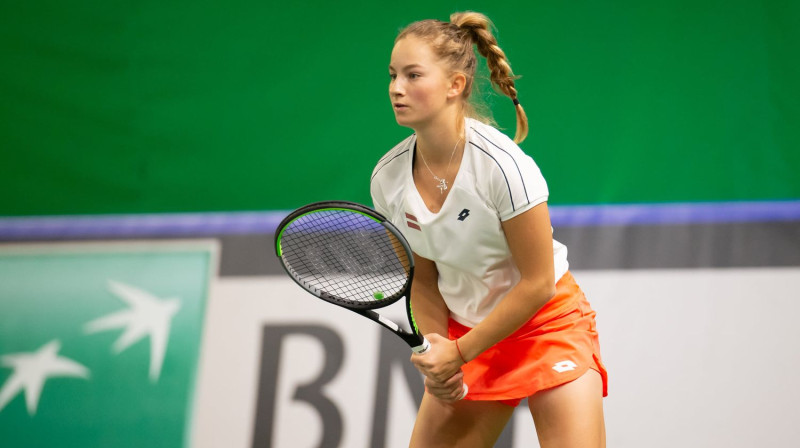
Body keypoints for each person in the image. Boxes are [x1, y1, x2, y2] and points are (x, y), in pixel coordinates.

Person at [370, 11, 608, 448]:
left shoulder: (504, 167)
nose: (396, 88)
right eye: (392, 75)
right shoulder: (387, 179)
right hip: (466, 331)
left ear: (454, 86)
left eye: (412, 75)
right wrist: (439, 349)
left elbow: (537, 284)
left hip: (545, 327)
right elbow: (423, 277)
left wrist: (459, 353)